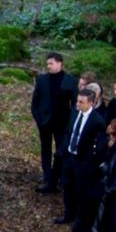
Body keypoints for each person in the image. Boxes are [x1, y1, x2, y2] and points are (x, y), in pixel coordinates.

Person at [56, 89, 107, 232]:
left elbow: (97, 146)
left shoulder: (97, 121)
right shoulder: (74, 113)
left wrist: (87, 163)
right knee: (67, 186)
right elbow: (69, 132)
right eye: (77, 101)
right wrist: (63, 151)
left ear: (91, 103)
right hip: (69, 157)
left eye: (81, 102)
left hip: (82, 161)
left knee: (80, 190)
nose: (77, 104)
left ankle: (79, 219)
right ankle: (68, 214)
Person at [30, 52, 78, 193]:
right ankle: (47, 175)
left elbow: (75, 104)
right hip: (44, 122)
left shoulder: (70, 80)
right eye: (47, 63)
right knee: (45, 149)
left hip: (62, 123)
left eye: (51, 63)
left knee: (60, 151)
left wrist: (70, 123)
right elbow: (35, 101)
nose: (48, 66)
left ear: (59, 63)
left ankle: (58, 177)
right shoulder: (42, 79)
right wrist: (38, 118)